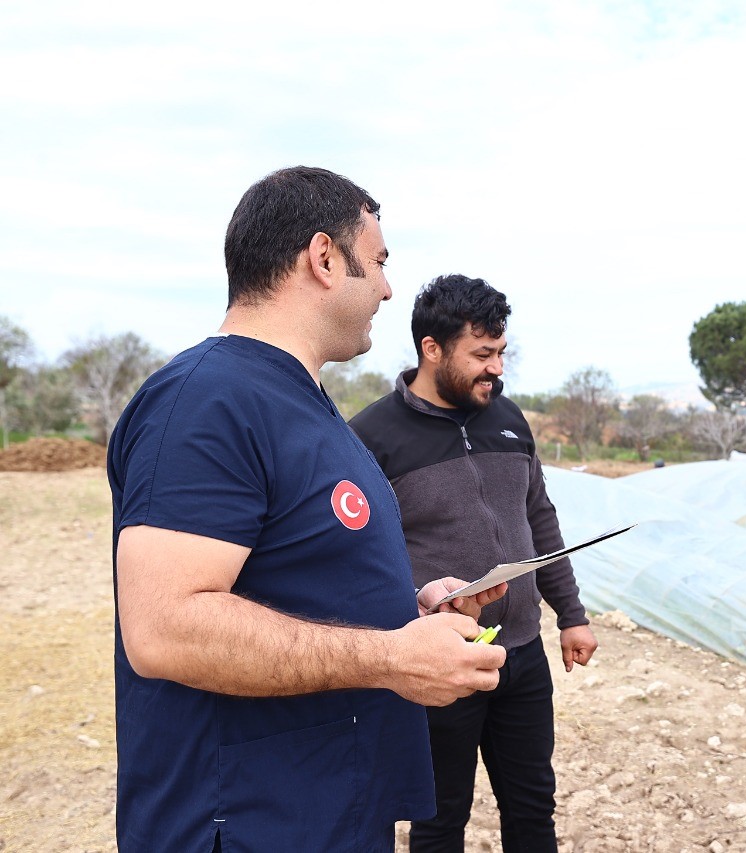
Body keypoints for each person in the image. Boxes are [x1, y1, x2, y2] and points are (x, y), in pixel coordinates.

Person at [108, 167, 509, 853]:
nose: (387, 287)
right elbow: (163, 626)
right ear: (324, 258)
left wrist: (411, 614)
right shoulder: (208, 400)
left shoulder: (308, 404)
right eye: (378, 262)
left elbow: (296, 579)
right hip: (244, 823)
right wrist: (387, 656)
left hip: (332, 809)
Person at [349, 274, 596, 853]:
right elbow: (362, 560)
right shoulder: (370, 439)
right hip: (440, 662)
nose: (497, 369)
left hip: (522, 656)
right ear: (432, 350)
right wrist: (421, 600)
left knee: (533, 808)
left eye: (501, 352)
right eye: (482, 354)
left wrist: (571, 614)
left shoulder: (508, 418)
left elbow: (540, 520)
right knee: (439, 820)